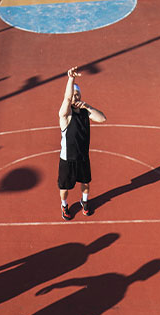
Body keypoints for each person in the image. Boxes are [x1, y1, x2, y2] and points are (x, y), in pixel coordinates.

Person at [59, 66, 106, 220]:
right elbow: (66, 99)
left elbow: (102, 118)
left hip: (83, 157)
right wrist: (71, 78)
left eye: (77, 94)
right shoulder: (65, 115)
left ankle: (84, 202)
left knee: (86, 183)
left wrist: (87, 106)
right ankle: (64, 204)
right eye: (73, 95)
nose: (75, 97)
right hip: (68, 159)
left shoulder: (86, 112)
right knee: (64, 187)